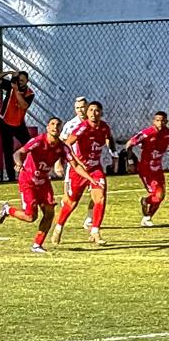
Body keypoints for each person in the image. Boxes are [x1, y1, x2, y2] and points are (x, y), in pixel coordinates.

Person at [0, 117, 97, 252]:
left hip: (44, 182)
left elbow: (75, 166)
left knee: (49, 212)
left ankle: (37, 245)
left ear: (61, 129)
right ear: (47, 127)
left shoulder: (62, 147)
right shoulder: (38, 141)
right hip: (28, 180)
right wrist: (19, 163)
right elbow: (18, 153)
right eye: (52, 124)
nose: (55, 127)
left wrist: (90, 178)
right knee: (30, 216)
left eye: (58, 125)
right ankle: (8, 209)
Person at [53, 101, 116, 246]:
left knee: (100, 198)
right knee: (71, 202)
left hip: (95, 169)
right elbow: (67, 144)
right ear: (87, 113)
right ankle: (58, 227)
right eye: (91, 110)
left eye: (97, 110)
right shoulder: (82, 128)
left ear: (101, 112)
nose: (94, 113)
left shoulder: (104, 127)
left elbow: (109, 138)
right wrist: (74, 160)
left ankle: (95, 231)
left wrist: (115, 155)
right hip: (80, 171)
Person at [126, 111, 169, 227]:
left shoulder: (167, 133)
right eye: (157, 120)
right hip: (146, 169)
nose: (160, 123)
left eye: (163, 120)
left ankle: (147, 216)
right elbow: (129, 144)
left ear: (166, 121)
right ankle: (145, 203)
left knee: (161, 196)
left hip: (158, 169)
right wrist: (130, 162)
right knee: (158, 194)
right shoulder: (147, 133)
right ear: (154, 121)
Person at [0, 68, 35, 180]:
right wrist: (9, 73)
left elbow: (24, 106)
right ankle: (11, 178)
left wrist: (16, 91)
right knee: (7, 149)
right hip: (5, 122)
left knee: (31, 146)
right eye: (19, 79)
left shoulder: (29, 93)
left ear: (27, 81)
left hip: (18, 124)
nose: (20, 82)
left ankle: (33, 171)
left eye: (22, 80)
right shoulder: (11, 86)